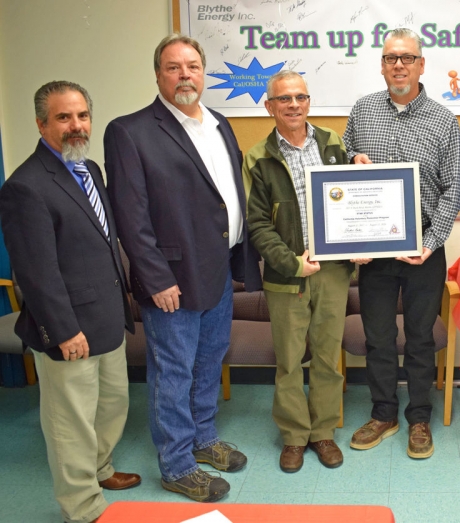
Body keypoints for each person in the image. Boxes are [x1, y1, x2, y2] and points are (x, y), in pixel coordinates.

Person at [104, 34, 262, 502]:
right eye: (173, 67)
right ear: (158, 75)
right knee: (173, 371)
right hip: (171, 279)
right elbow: (130, 216)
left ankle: (203, 438)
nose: (184, 75)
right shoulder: (130, 130)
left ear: (204, 71)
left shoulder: (219, 123)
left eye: (192, 66)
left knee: (209, 361)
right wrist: (155, 278)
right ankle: (176, 464)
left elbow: (223, 196)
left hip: (217, 271)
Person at [0, 81, 140, 523]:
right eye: (63, 117)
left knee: (113, 405)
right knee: (70, 424)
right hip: (70, 329)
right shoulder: (25, 186)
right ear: (42, 124)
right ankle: (82, 508)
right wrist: (63, 330)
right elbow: (35, 273)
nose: (75, 125)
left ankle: (99, 470)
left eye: (82, 116)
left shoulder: (89, 169)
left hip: (107, 318)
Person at [343, 28, 460, 459]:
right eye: (391, 57)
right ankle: (383, 413)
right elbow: (339, 173)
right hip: (373, 253)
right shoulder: (361, 111)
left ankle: (418, 418)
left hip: (424, 251)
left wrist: (430, 243)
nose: (399, 64)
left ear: (421, 65)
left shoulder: (443, 119)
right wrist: (350, 159)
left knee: (418, 338)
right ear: (381, 64)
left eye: (407, 57)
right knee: (377, 337)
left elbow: (455, 189)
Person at [243, 70, 363, 473]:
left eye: (300, 97)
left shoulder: (332, 143)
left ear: (309, 102)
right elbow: (257, 224)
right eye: (283, 99)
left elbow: (351, 201)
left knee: (328, 359)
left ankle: (323, 433)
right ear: (269, 106)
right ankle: (294, 436)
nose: (293, 105)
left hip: (332, 273)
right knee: (290, 361)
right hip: (286, 276)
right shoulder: (258, 156)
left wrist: (361, 244)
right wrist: (292, 262)